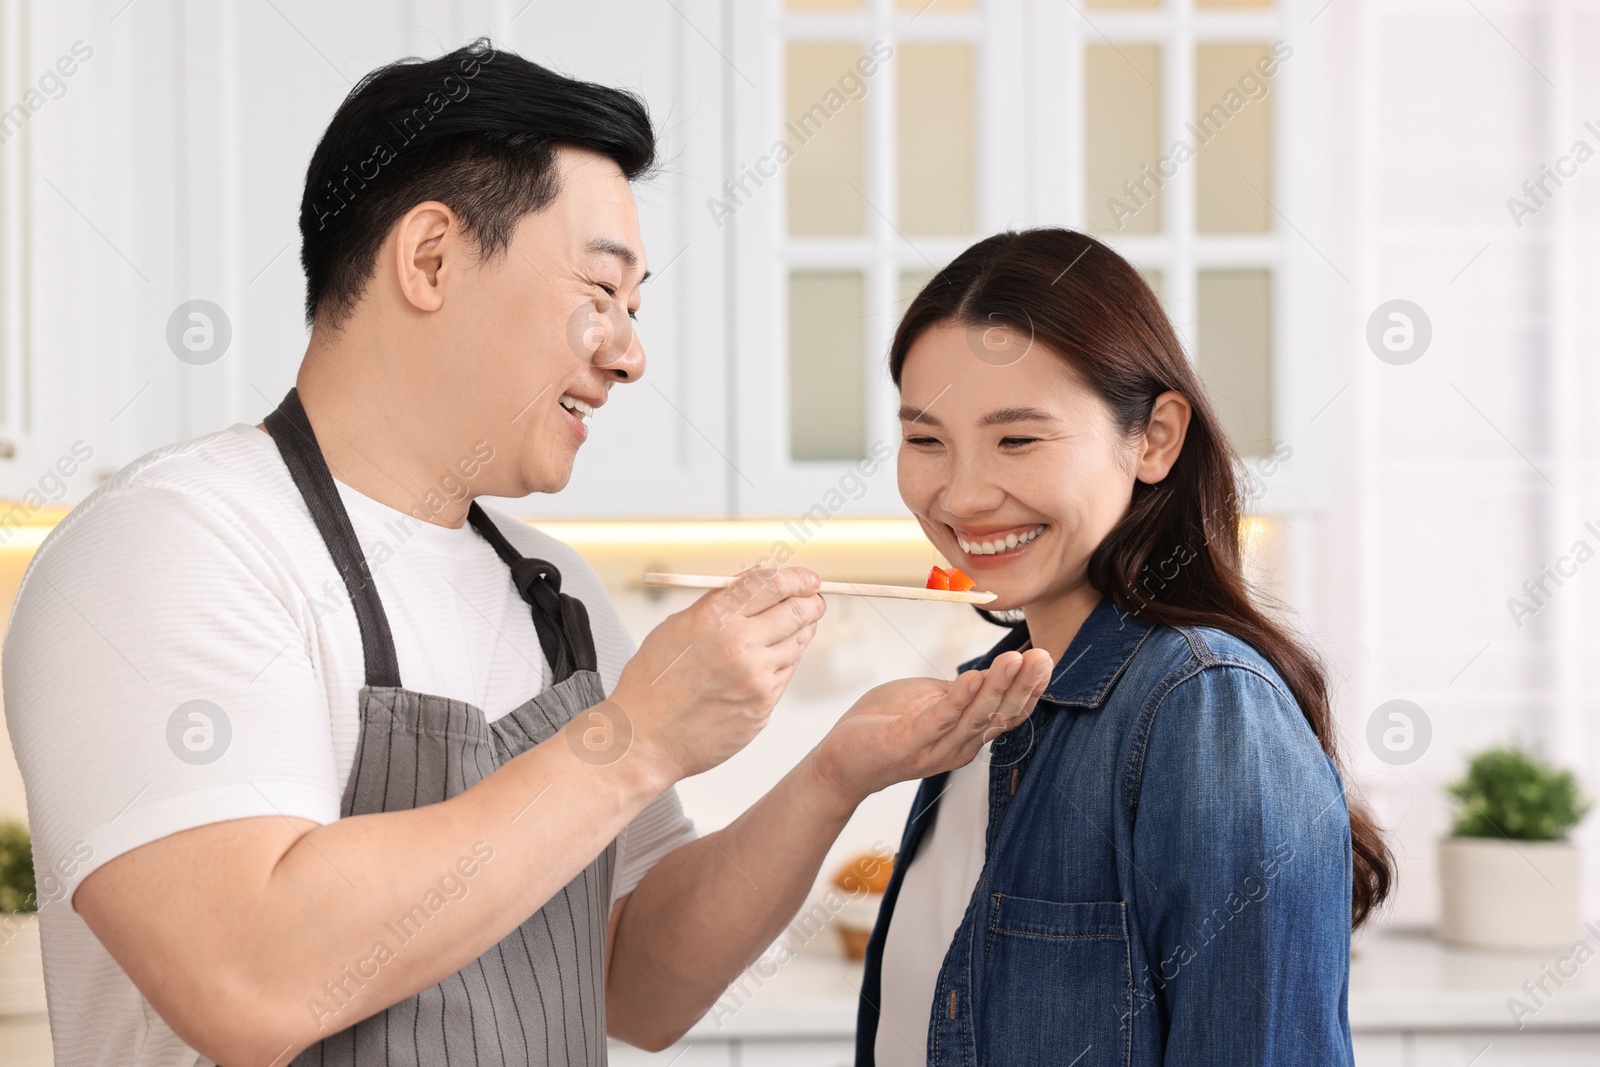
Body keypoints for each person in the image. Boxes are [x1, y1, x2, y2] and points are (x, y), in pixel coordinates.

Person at [2, 41, 1053, 1067]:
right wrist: (634, 737)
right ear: (429, 258)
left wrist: (833, 775)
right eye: (600, 294)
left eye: (635, 310)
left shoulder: (551, 592)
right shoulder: (177, 543)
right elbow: (249, 979)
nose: (631, 353)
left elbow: (633, 982)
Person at [855, 228, 1395, 1067]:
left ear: (1154, 438)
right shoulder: (977, 707)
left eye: (1018, 438)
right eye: (926, 440)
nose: (959, 494)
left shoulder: (1207, 707)